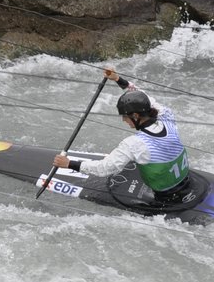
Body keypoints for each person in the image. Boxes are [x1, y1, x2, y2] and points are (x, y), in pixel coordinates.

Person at [51, 69, 198, 210]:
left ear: (135, 116)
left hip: (165, 198)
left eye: (124, 116)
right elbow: (146, 99)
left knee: (132, 157)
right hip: (187, 182)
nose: (123, 120)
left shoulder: (135, 144)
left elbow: (105, 168)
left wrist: (69, 163)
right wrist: (118, 79)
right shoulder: (167, 117)